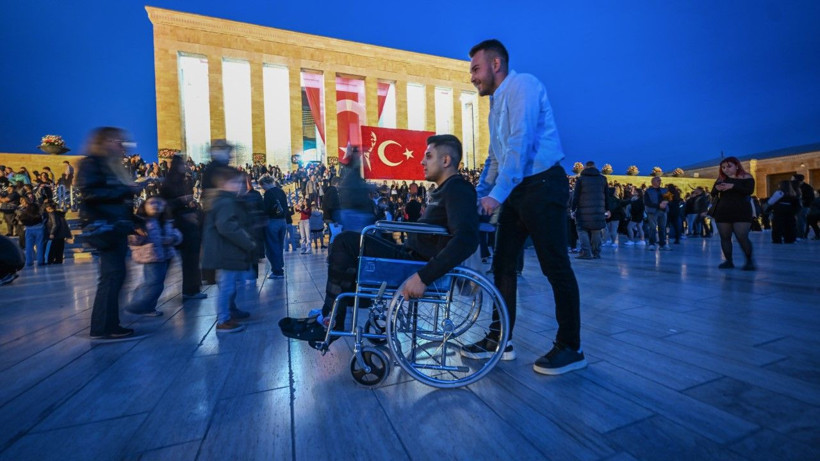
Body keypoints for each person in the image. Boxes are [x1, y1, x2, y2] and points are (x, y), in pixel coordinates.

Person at [280, 135, 478, 344]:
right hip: (411, 255)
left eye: (428, 156)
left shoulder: (458, 189)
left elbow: (466, 238)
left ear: (446, 161)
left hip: (417, 265)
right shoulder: (446, 190)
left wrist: (424, 277)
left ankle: (332, 317)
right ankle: (334, 314)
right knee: (350, 246)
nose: (422, 161)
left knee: (345, 242)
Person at [465, 39, 585, 375]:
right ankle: (498, 339)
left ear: (496, 64)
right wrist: (479, 194)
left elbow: (520, 143)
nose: (472, 77)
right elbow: (495, 156)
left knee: (555, 266)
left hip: (544, 184)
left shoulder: (524, 86)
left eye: (476, 68)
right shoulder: (495, 104)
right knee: (503, 266)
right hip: (519, 189)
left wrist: (496, 196)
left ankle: (571, 346)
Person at [76, 127, 141, 339]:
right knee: (112, 275)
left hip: (116, 226)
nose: (121, 146)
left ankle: (109, 324)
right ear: (104, 142)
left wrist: (134, 222)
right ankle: (103, 327)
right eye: (117, 141)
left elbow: (118, 202)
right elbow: (90, 193)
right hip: (105, 226)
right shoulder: (91, 163)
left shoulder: (110, 165)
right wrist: (126, 189)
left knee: (116, 275)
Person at [201, 166, 256, 334]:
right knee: (227, 286)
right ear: (225, 184)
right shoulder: (225, 201)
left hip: (226, 251)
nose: (240, 185)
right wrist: (247, 242)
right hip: (224, 251)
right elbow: (227, 226)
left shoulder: (225, 199)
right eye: (236, 182)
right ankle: (223, 320)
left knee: (230, 285)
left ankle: (230, 312)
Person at [124, 196, 182, 316]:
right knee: (154, 283)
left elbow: (177, 234)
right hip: (151, 256)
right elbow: (133, 240)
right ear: (144, 206)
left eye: (159, 203)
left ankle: (148, 307)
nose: (155, 205)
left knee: (155, 283)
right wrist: (137, 235)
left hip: (166, 256)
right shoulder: (142, 222)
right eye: (151, 203)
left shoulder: (165, 221)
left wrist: (173, 238)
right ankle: (137, 307)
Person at [160, 155, 206, 300]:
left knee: (191, 259)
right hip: (180, 224)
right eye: (183, 164)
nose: (185, 166)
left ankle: (192, 289)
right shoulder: (170, 183)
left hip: (186, 223)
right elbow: (166, 205)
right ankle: (190, 290)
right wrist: (181, 201)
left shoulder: (182, 180)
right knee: (188, 259)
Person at [709, 157, 756, 269]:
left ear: (737, 165)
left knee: (742, 236)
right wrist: (717, 188)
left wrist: (733, 186)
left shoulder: (747, 177)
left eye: (729, 166)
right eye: (723, 167)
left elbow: (749, 191)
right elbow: (713, 193)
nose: (726, 169)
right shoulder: (721, 178)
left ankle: (749, 261)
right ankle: (728, 261)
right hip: (723, 210)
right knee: (725, 237)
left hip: (741, 210)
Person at [571, 161, 608, 259]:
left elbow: (576, 196)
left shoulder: (581, 179)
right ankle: (596, 253)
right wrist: (608, 209)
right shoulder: (603, 179)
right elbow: (607, 195)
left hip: (583, 210)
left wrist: (573, 209)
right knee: (596, 230)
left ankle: (586, 252)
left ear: (585, 167)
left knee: (582, 230)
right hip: (599, 210)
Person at [260, 175, 289, 279]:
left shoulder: (268, 193)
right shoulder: (281, 191)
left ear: (266, 183)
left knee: (272, 247)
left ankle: (277, 271)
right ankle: (279, 267)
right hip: (283, 221)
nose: (263, 188)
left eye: (262, 186)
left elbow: (265, 209)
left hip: (272, 222)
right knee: (279, 246)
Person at [768, 180, 800, 244]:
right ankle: (790, 239)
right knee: (790, 226)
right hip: (790, 211)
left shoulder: (779, 193)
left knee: (777, 226)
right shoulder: (793, 193)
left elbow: (770, 202)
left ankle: (777, 239)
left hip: (779, 211)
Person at [644, 176, 671, 251]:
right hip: (653, 211)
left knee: (662, 228)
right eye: (658, 180)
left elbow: (669, 198)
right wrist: (658, 205)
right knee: (652, 228)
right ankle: (652, 243)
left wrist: (666, 203)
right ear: (653, 182)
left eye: (660, 180)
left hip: (663, 211)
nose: (660, 181)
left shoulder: (664, 190)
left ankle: (663, 243)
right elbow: (647, 202)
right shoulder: (648, 191)